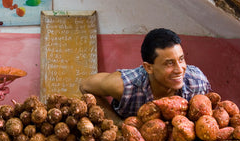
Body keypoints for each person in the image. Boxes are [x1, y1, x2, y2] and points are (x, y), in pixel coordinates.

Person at [79, 28, 211, 120]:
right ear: (148, 67)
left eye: (181, 59)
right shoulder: (127, 86)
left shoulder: (196, 82)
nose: (179, 69)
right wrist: (117, 122)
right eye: (169, 63)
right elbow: (85, 86)